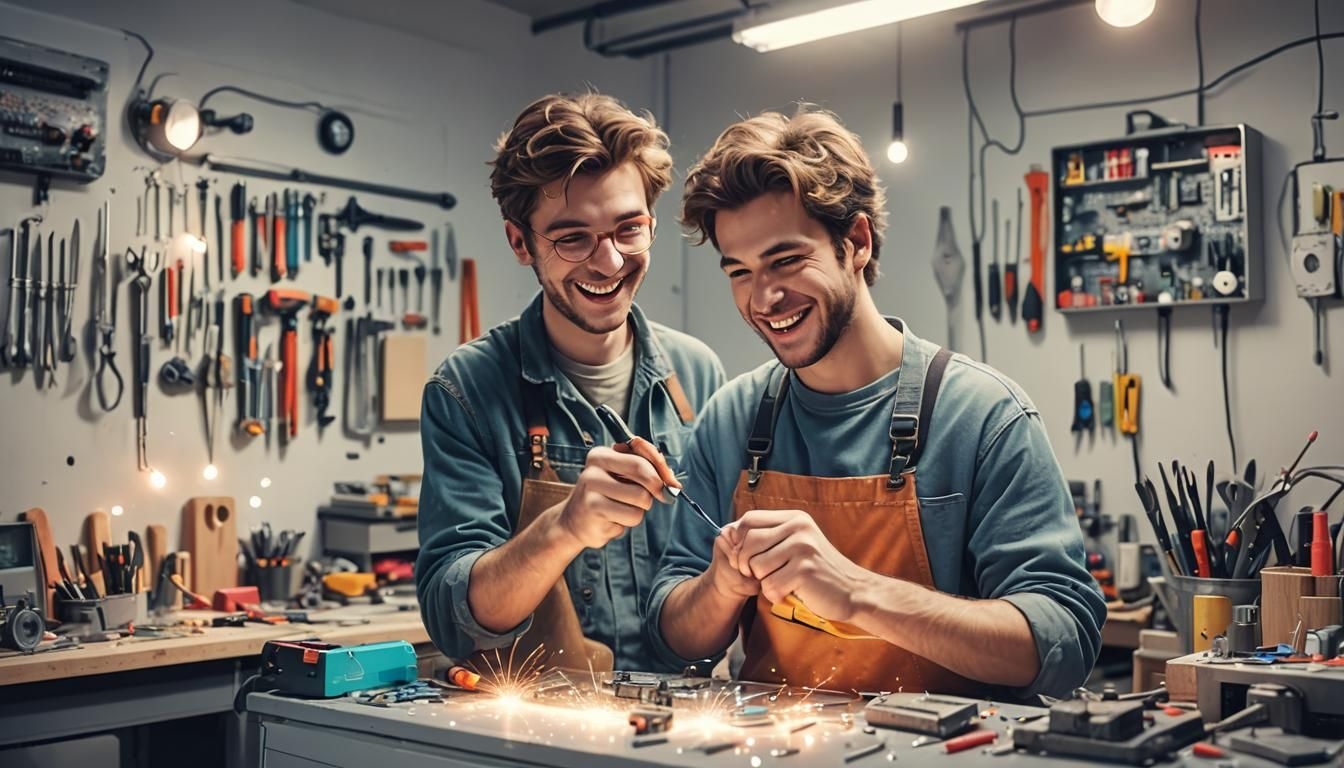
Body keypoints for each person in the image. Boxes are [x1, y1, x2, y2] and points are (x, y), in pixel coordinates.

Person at [648, 107, 1105, 699]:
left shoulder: (983, 416)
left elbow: (1063, 642)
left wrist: (858, 592)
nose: (764, 297)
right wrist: (721, 586)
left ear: (856, 242)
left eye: (786, 260)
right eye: (740, 271)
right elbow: (673, 635)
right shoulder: (730, 419)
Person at [417, 93, 725, 674]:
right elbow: (450, 613)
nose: (608, 263)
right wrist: (563, 528)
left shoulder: (699, 374)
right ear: (520, 242)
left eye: (628, 229)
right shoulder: (466, 390)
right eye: (572, 238)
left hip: (683, 719)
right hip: (537, 732)